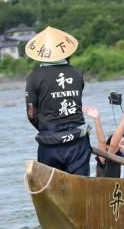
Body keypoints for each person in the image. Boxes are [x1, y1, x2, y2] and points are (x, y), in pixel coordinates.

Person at [25, 26, 91, 176]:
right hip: (77, 141)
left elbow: (31, 113)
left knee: (51, 184)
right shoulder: (77, 74)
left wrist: (46, 130)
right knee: (79, 184)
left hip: (50, 144)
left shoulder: (34, 76)